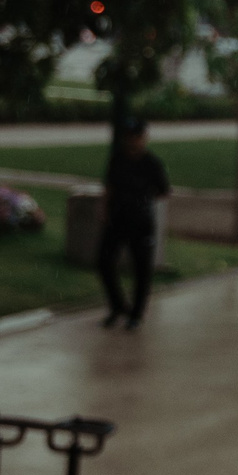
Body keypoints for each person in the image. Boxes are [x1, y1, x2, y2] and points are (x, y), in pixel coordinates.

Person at [99, 117, 170, 330]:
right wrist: (104, 209)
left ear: (144, 138)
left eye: (136, 136)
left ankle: (136, 314)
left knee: (141, 269)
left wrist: (141, 201)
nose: (132, 141)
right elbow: (109, 186)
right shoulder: (117, 159)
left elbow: (163, 191)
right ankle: (118, 305)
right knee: (103, 262)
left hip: (141, 222)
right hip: (117, 219)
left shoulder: (152, 163)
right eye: (129, 136)